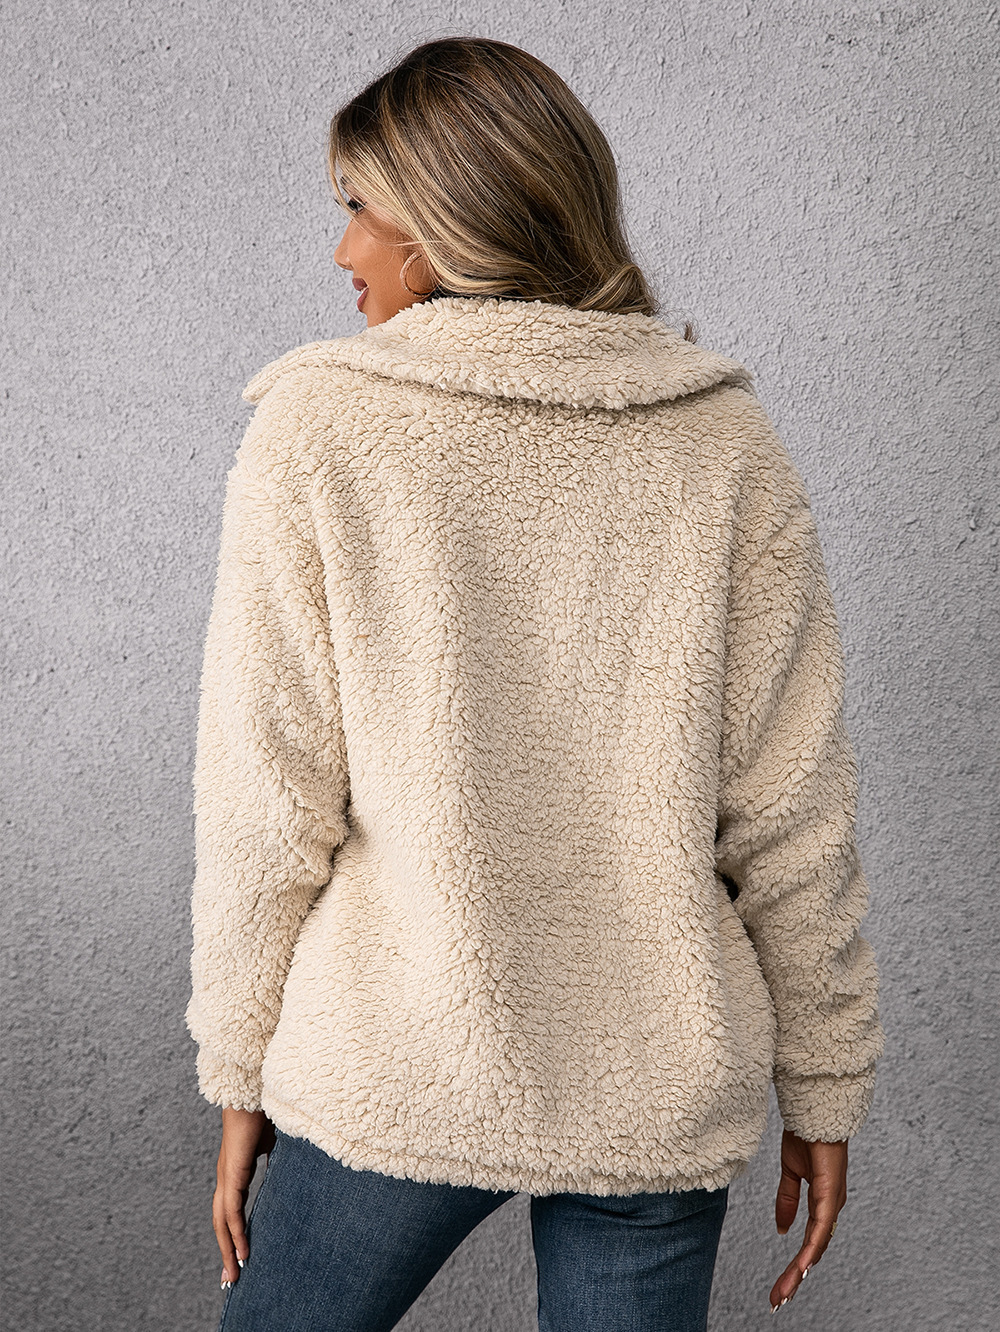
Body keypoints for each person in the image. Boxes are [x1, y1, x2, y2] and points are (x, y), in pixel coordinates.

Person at [185, 35, 885, 1332]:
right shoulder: (721, 441)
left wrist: (237, 1069)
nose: (342, 250)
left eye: (360, 208)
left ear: (444, 220)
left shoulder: (321, 428)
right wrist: (823, 1079)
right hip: (657, 1075)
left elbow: (266, 802)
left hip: (400, 1059)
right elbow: (794, 807)